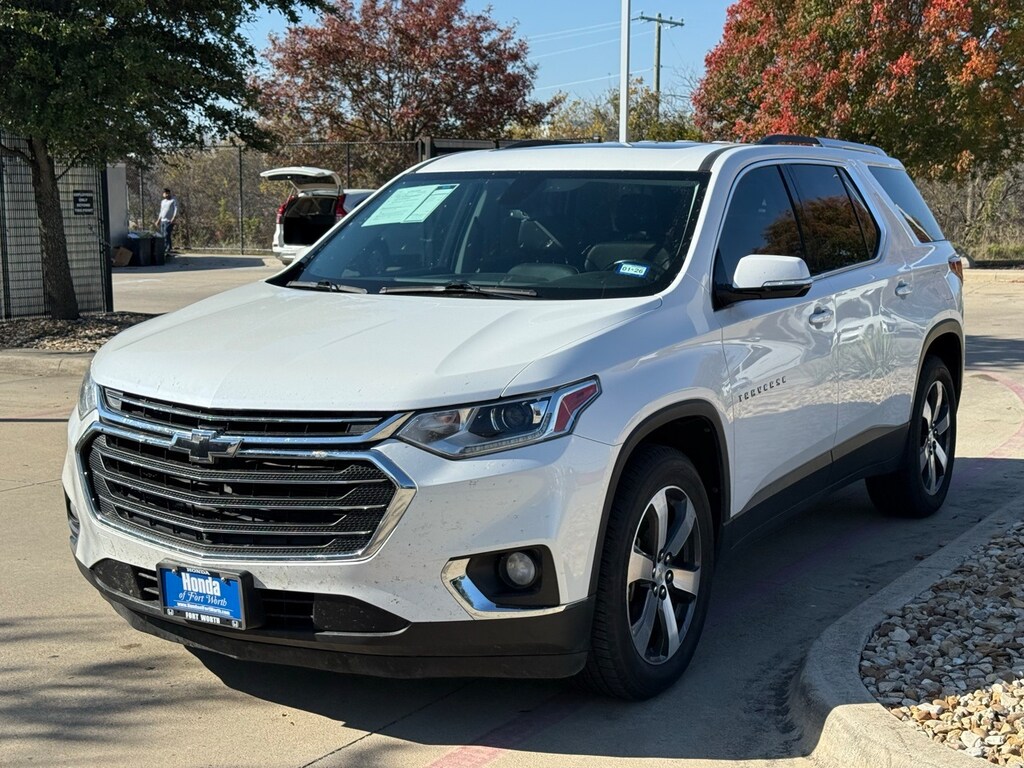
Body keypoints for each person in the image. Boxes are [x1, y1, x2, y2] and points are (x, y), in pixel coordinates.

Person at [155, 188, 179, 255]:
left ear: (169, 193)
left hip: (169, 220)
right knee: (162, 235)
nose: (165, 194)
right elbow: (161, 211)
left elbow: (176, 209)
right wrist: (158, 220)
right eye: (164, 193)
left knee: (166, 234)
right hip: (163, 220)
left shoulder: (173, 200)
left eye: (167, 193)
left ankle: (168, 248)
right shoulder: (163, 201)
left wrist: (173, 218)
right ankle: (165, 248)